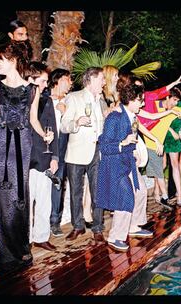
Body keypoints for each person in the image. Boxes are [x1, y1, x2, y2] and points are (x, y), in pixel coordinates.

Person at [0, 41, 53, 270]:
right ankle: (5, 254)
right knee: (1, 199)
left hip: (22, 146)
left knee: (19, 197)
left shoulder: (32, 89)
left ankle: (21, 248)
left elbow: (33, 120)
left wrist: (45, 135)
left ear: (12, 60)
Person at [97, 83, 153, 252]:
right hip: (114, 164)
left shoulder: (131, 116)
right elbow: (104, 146)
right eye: (139, 101)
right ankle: (115, 237)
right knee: (125, 196)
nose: (142, 104)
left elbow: (131, 139)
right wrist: (123, 143)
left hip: (128, 160)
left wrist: (132, 151)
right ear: (130, 100)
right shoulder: (114, 117)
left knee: (141, 190)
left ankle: (134, 226)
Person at [60, 67, 107, 243]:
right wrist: (77, 123)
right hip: (76, 152)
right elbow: (64, 126)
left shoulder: (101, 100)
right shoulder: (74, 97)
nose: (104, 83)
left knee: (98, 191)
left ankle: (97, 227)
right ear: (92, 79)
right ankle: (78, 226)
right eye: (101, 79)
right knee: (76, 192)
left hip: (97, 151)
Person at [26, 62, 59, 251]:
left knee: (44, 200)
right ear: (31, 79)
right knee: (27, 201)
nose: (46, 85)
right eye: (43, 81)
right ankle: (26, 239)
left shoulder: (47, 101)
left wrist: (55, 156)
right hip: (26, 157)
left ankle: (41, 236)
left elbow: (52, 128)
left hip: (45, 156)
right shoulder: (20, 100)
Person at [48, 68, 72, 237]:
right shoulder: (43, 99)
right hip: (43, 148)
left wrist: (67, 113)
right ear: (58, 80)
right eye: (68, 79)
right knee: (41, 186)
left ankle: (54, 221)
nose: (71, 83)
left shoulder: (70, 102)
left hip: (62, 148)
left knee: (57, 184)